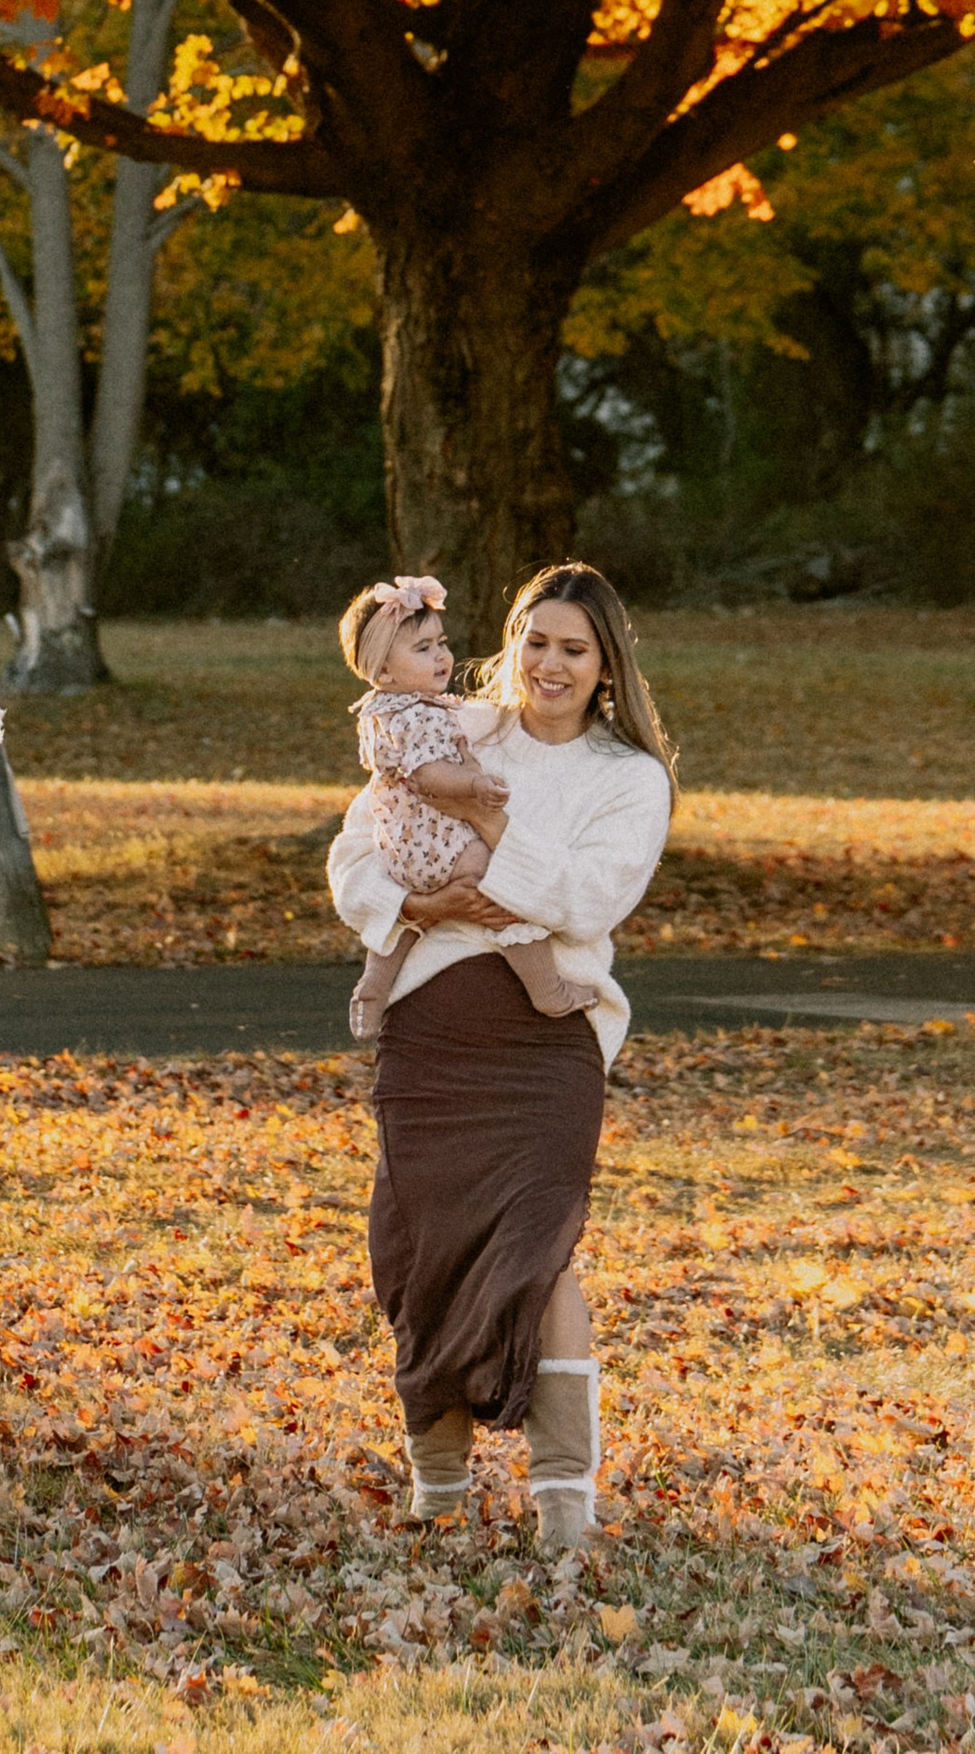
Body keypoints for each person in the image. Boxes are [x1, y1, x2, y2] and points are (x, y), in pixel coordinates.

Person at [328, 561, 674, 1549]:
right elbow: (357, 852)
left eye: (572, 649)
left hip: (543, 1049)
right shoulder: (453, 725)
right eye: (535, 641)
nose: (548, 665)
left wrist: (488, 827)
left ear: (605, 666)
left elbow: (586, 900)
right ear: (510, 643)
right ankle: (435, 1490)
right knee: (415, 1253)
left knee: (539, 1253)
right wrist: (411, 905)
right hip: (432, 1034)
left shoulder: (628, 778)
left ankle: (563, 1503)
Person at [337, 574, 583, 1041]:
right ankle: (547, 988)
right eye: (423, 649)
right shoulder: (417, 714)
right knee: (508, 888)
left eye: (441, 643)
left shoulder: (384, 710)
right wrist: (475, 786)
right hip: (439, 842)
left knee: (411, 918)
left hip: (401, 851)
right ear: (384, 672)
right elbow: (430, 775)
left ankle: (373, 986)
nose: (442, 657)